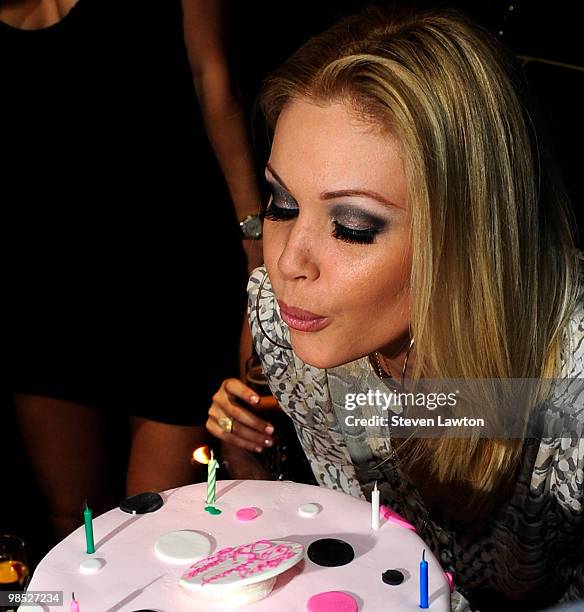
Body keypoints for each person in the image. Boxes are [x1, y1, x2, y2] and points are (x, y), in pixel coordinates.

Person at [206, 6, 584, 610]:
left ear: (467, 235)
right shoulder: (289, 324)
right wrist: (245, 460)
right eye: (280, 202)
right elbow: (364, 551)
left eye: (352, 225)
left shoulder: (572, 374)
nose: (288, 263)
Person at [1, 0, 261, 541]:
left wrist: (256, 236)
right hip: (38, 285)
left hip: (169, 277)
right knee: (73, 521)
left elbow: (217, 87)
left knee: (162, 523)